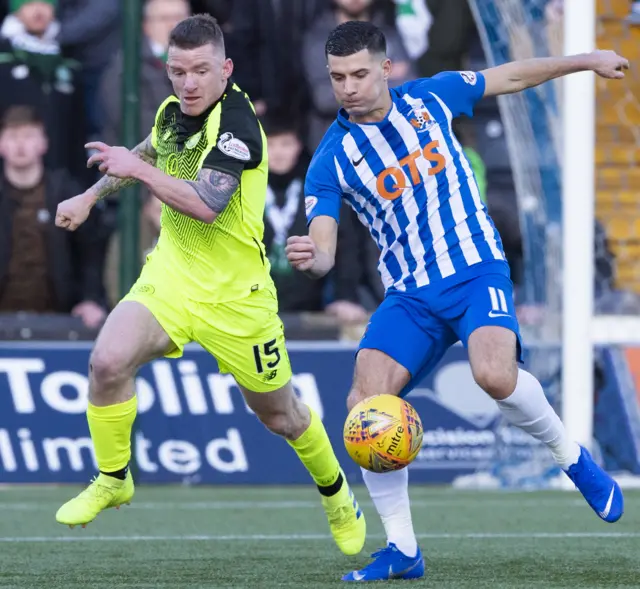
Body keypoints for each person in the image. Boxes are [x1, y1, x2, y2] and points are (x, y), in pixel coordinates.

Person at [285, 20, 628, 581]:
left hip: (473, 271)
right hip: (410, 296)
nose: (347, 87)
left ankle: (575, 460)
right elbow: (323, 243)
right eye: (337, 77)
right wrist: (312, 257)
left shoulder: (431, 98)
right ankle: (404, 551)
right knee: (363, 409)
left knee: (494, 375)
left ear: (387, 69)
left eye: (359, 74)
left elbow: (512, 75)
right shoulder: (332, 158)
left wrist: (585, 58)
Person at [53, 14, 366, 558]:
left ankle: (339, 497)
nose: (188, 82)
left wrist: (139, 171)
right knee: (106, 363)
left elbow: (204, 203)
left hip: (237, 298)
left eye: (200, 70)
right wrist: (88, 197)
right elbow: (148, 153)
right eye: (177, 71)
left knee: (281, 415)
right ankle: (113, 476)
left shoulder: (239, 126)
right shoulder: (173, 109)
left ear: (225, 69)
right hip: (171, 277)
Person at [0, 105, 107, 326]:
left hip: (60, 319)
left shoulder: (66, 193)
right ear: (1, 144)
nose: (20, 145)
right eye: (12, 136)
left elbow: (90, 252)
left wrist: (90, 299)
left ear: (43, 143)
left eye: (28, 136)